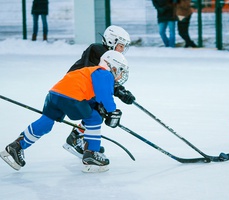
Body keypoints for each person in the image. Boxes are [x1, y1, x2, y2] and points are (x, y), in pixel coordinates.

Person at [0, 50, 129, 173]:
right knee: (94, 118)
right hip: (71, 97)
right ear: (113, 66)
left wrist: (97, 106)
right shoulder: (104, 73)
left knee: (46, 122)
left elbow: (87, 92)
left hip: (55, 94)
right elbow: (105, 96)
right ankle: (91, 154)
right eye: (121, 71)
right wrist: (112, 111)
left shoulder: (89, 71)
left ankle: (16, 146)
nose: (121, 75)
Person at [63, 25, 135, 159]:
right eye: (121, 45)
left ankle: (81, 139)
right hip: (76, 89)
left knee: (97, 113)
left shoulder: (108, 55)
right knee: (97, 113)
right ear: (111, 41)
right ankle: (80, 141)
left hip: (85, 89)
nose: (123, 49)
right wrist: (119, 91)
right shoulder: (98, 52)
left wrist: (121, 91)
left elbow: (106, 81)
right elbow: (101, 79)